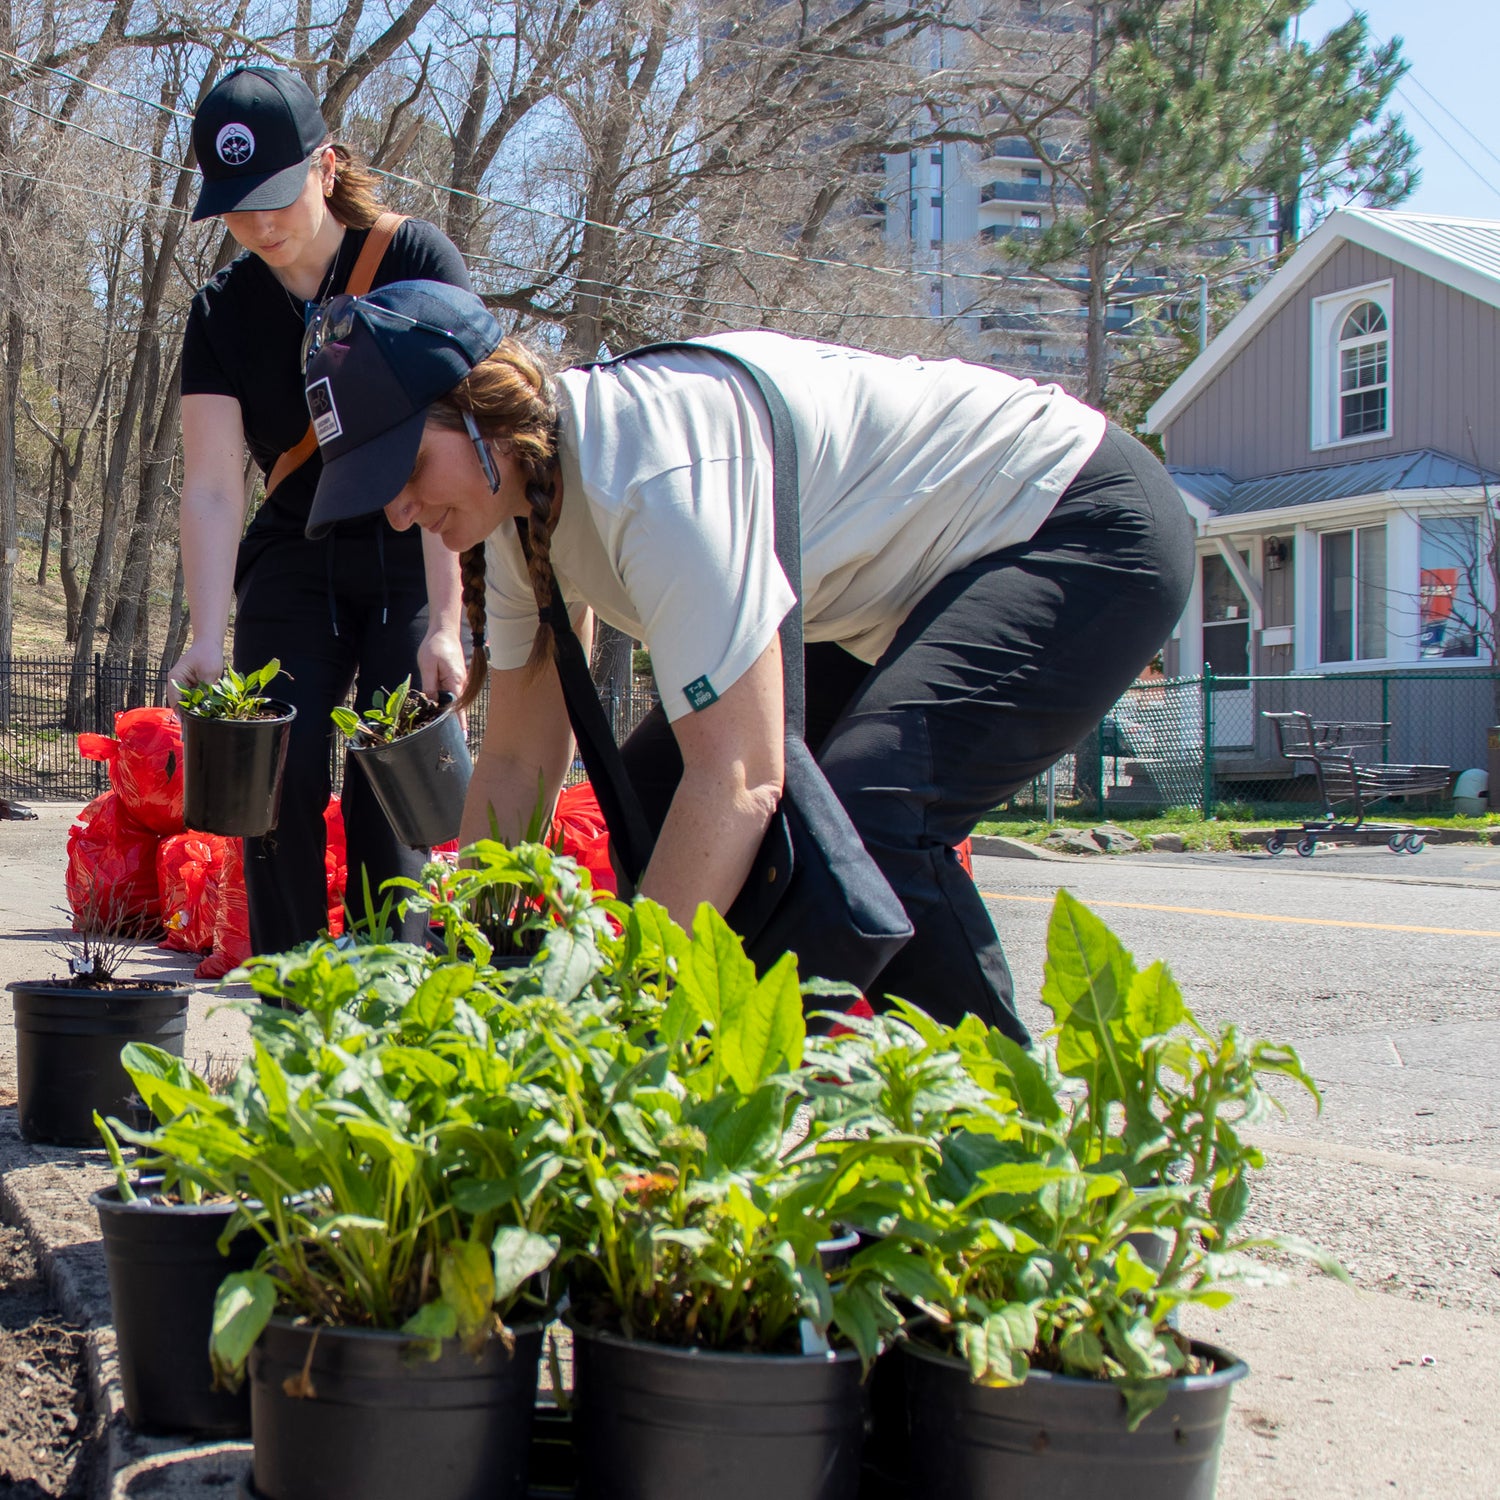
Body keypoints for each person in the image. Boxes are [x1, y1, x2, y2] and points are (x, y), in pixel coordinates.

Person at [300, 280, 1194, 1044]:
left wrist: (635, 1024)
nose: (399, 512)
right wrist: (463, 972)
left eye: (407, 468)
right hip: (892, 592)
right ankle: (795, 1098)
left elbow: (740, 780)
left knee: (871, 809)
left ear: (482, 407)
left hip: (1074, 516)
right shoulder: (521, 512)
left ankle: (1022, 1159)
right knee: (651, 803)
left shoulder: (649, 471)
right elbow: (518, 764)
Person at [168, 68, 474, 953]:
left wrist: (447, 624)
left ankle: (389, 1025)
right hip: (295, 556)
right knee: (272, 782)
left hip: (409, 542)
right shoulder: (220, 312)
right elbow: (216, 486)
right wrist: (203, 634)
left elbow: (458, 445)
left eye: (273, 195)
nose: (258, 223)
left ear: (326, 167)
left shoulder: (416, 262)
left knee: (391, 797)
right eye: (235, 204)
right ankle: (291, 1018)